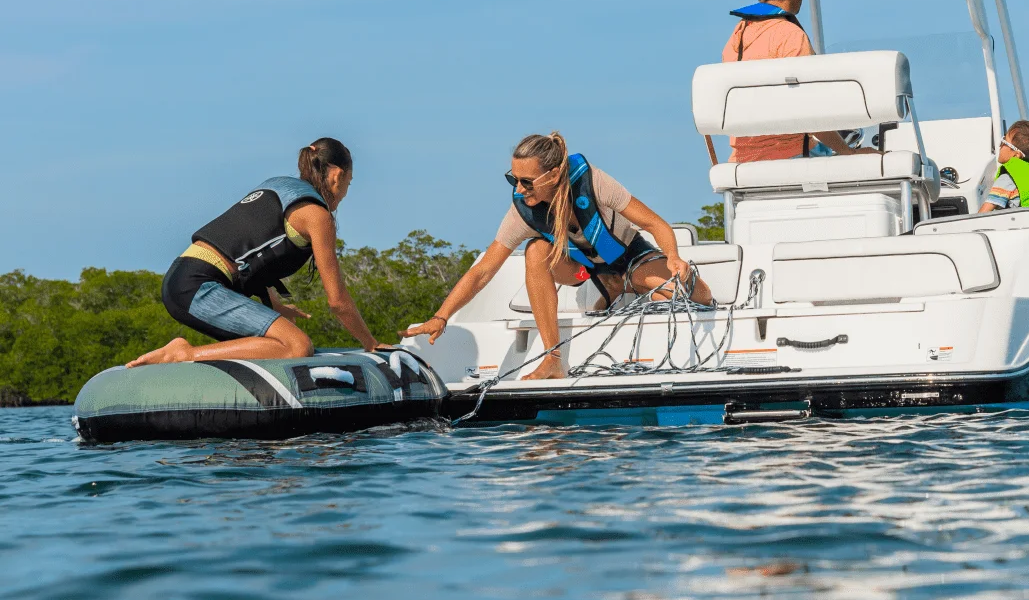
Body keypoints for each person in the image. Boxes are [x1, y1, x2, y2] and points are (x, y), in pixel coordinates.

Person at [405, 133, 711, 381]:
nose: (519, 189)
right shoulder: (522, 212)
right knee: (536, 250)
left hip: (630, 256)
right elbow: (483, 271)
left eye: (527, 181)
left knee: (697, 294)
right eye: (514, 180)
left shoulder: (594, 183)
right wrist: (441, 316)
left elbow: (655, 223)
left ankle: (627, 284)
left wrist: (673, 257)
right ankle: (552, 358)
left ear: (552, 175)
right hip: (584, 270)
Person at [129, 138, 389, 367]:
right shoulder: (317, 215)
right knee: (297, 346)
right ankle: (183, 354)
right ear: (338, 176)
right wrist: (370, 343)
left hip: (183, 276)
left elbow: (252, 253)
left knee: (278, 341)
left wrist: (276, 308)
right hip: (199, 288)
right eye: (348, 184)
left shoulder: (277, 185)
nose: (344, 195)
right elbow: (337, 301)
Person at [722, 0, 873, 163]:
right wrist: (849, 152)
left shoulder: (737, 36)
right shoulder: (790, 36)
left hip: (742, 159)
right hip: (791, 155)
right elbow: (810, 113)